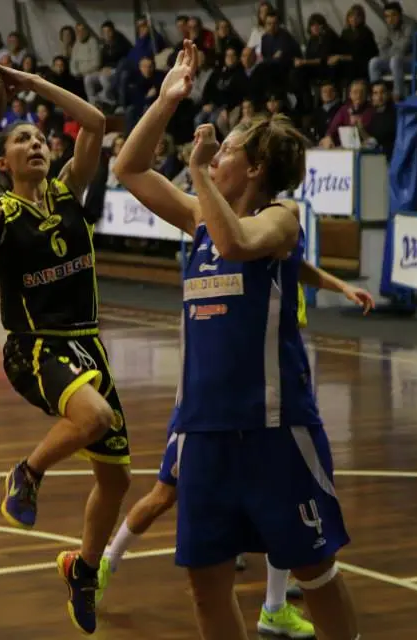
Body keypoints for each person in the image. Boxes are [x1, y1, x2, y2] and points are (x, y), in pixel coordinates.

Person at [113, 41, 362, 640]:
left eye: (224, 150)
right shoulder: (202, 220)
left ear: (251, 170)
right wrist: (166, 100)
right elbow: (128, 169)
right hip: (203, 429)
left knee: (315, 567)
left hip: (274, 428)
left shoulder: (280, 219)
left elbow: (236, 245)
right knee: (204, 582)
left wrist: (196, 173)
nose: (212, 153)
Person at [0, 56, 125, 635]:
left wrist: (32, 85)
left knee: (116, 481)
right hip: (34, 347)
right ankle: (27, 472)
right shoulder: (3, 212)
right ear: (3, 161)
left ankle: (83, 569)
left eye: (40, 138)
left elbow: (94, 123)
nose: (36, 145)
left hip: (89, 347)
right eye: (21, 139)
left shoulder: (67, 192)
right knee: (96, 415)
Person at [101, 264, 374, 639]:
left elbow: (297, 260)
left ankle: (274, 607)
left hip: (267, 406)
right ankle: (105, 563)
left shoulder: (276, 245)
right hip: (206, 414)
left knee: (282, 512)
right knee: (164, 494)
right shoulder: (228, 257)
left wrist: (339, 284)